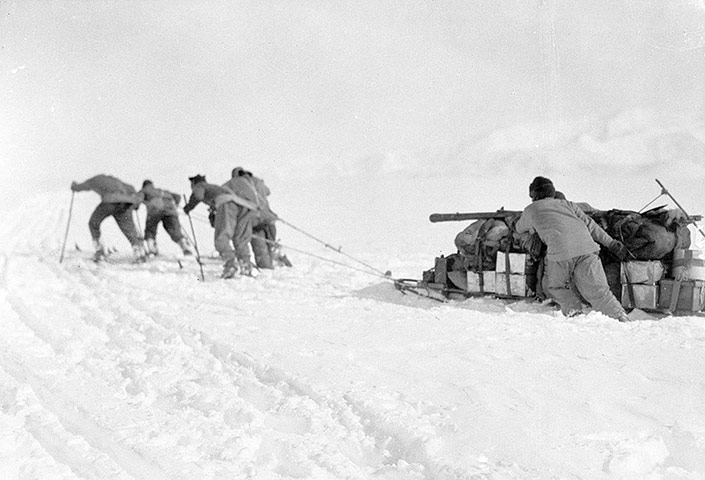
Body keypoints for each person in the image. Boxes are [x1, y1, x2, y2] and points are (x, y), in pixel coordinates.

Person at [515, 176, 632, 322]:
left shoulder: (531, 209)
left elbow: (519, 228)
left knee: (557, 287)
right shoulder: (569, 205)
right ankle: (621, 318)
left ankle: (575, 315)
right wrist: (611, 243)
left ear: (533, 194)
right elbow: (592, 226)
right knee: (600, 292)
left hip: (561, 254)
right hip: (588, 250)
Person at [183, 174, 255, 278]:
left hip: (226, 204)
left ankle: (231, 265)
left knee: (221, 239)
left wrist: (188, 207)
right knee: (240, 239)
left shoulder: (200, 186)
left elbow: (198, 196)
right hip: (243, 205)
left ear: (194, 183)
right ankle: (246, 266)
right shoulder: (216, 187)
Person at [70, 174, 147, 262]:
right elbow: (131, 189)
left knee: (93, 223)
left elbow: (83, 186)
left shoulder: (97, 179)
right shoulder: (118, 181)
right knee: (129, 229)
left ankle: (99, 251)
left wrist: (74, 186)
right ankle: (139, 253)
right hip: (126, 203)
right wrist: (135, 203)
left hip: (110, 202)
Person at [225, 167, 286, 269]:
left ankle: (262, 267)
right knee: (270, 244)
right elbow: (267, 192)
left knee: (258, 246)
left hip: (253, 219)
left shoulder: (238, 183)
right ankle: (278, 261)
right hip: (268, 217)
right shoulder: (257, 181)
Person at [136, 180, 193, 256]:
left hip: (155, 210)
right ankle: (184, 245)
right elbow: (177, 196)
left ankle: (152, 248)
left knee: (150, 229)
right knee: (173, 229)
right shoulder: (162, 191)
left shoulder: (144, 190)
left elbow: (138, 199)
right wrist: (174, 205)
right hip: (170, 210)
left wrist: (135, 206)